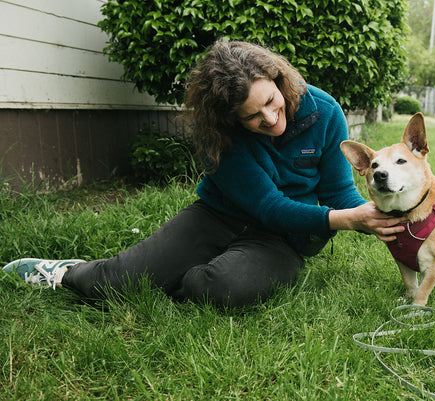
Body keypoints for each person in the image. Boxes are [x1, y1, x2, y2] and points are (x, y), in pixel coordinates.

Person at [2, 40, 405, 307]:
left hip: (284, 238)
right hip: (218, 217)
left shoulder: (325, 111)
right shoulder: (217, 134)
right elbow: (267, 204)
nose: (270, 117)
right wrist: (342, 220)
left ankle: (193, 274)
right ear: (230, 118)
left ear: (278, 79)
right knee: (118, 285)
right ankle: (68, 271)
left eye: (271, 100)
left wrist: (375, 211)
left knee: (221, 288)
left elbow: (338, 192)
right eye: (253, 116)